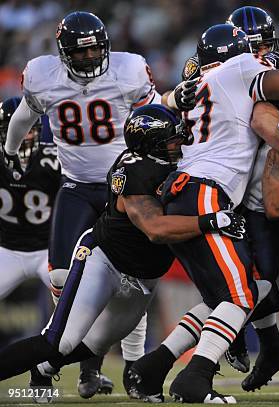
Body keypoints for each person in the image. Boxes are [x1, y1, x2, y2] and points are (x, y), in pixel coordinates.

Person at [2, 11, 198, 398]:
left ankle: (109, 365)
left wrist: (175, 98)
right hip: (75, 186)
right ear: (63, 53)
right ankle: (66, 360)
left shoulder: (127, 71)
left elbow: (155, 108)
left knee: (132, 280)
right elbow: (26, 112)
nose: (91, 58)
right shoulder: (43, 76)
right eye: (82, 52)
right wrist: (10, 149)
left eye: (96, 50)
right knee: (60, 279)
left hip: (122, 188)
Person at [0, 104, 246, 397]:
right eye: (171, 140)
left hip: (144, 275)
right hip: (105, 259)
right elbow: (155, 229)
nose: (179, 144)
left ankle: (42, 370)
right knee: (58, 341)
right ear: (150, 144)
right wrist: (211, 220)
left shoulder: (173, 161)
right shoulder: (135, 170)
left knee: (95, 344)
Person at [150, 23, 279, 403]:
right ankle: (194, 378)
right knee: (242, 292)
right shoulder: (240, 67)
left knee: (227, 293)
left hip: (187, 188)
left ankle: (152, 367)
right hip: (207, 192)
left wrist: (173, 96)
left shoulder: (196, 83)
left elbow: (161, 107)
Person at [0, 97, 60, 299]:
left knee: (75, 303)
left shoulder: (53, 160)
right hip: (6, 249)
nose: (23, 136)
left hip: (49, 250)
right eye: (16, 130)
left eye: (29, 130)